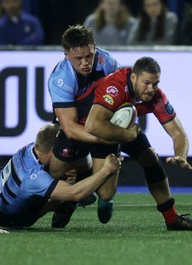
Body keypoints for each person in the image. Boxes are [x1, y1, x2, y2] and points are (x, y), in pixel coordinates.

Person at [83, 57, 192, 231]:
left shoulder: (156, 96)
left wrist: (181, 155)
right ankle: (77, 197)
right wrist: (126, 135)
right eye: (147, 83)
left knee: (150, 158)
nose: (151, 89)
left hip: (124, 130)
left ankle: (172, 218)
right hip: (98, 132)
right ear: (133, 78)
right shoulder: (115, 87)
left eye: (155, 84)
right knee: (105, 193)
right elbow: (94, 125)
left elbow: (179, 133)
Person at [47, 24, 121, 227]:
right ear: (66, 54)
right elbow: (70, 128)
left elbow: (121, 101)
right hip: (77, 130)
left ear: (94, 47)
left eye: (89, 55)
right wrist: (106, 137)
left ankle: (93, 194)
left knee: (106, 194)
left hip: (101, 123)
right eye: (78, 58)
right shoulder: (60, 79)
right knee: (55, 172)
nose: (86, 62)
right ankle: (74, 198)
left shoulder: (108, 62)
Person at [0, 123, 122, 228]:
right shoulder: (35, 177)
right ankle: (65, 206)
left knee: (51, 181)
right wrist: (107, 170)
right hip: (5, 216)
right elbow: (74, 193)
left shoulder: (31, 148)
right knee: (66, 194)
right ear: (54, 149)